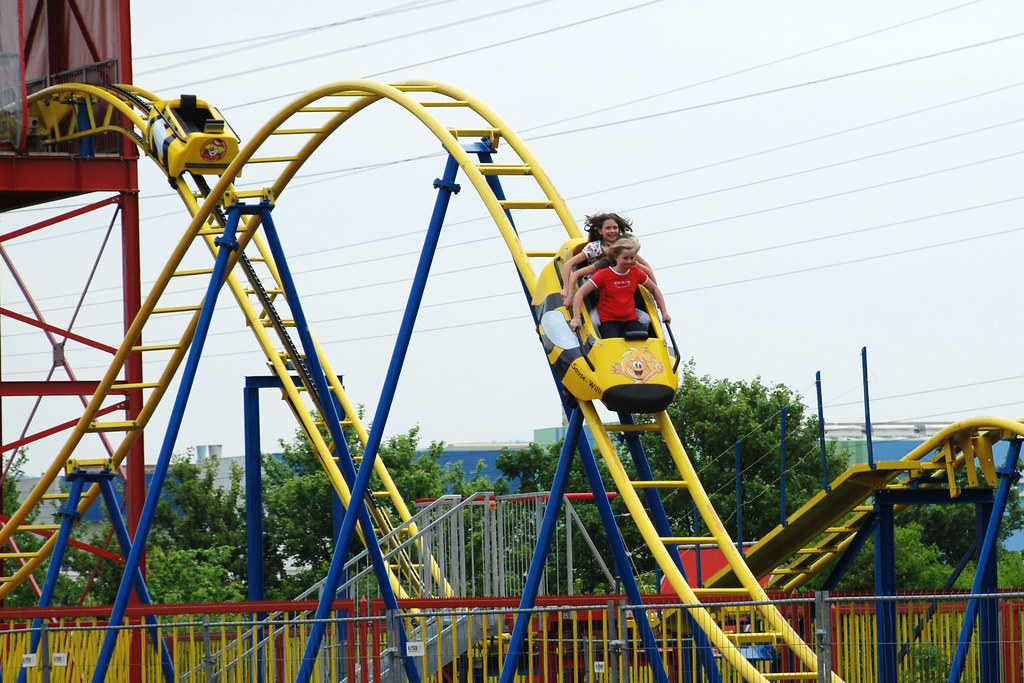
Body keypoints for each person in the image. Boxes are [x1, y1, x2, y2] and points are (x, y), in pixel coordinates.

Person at [569, 236, 671, 338]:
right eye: (625, 258)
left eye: (632, 258)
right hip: (609, 320)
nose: (629, 262)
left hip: (630, 319)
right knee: (605, 333)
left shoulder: (636, 272)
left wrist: (664, 312)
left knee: (643, 330)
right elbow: (580, 293)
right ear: (616, 257)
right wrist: (576, 318)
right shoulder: (604, 274)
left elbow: (654, 289)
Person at [560, 212, 655, 307]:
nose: (612, 231)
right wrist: (566, 289)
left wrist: (655, 292)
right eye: (608, 228)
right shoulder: (594, 248)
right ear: (600, 231)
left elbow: (647, 269)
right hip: (595, 281)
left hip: (618, 280)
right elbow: (569, 264)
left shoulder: (624, 247)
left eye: (615, 228)